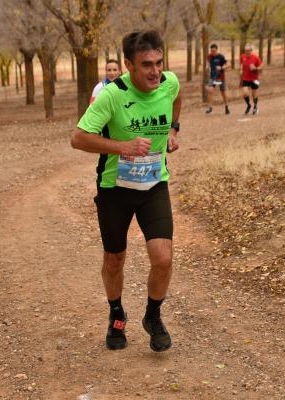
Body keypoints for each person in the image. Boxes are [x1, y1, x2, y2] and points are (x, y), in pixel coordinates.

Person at [71, 30, 181, 352]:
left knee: (163, 258)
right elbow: (78, 138)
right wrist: (123, 146)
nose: (155, 71)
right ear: (128, 65)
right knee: (115, 258)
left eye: (159, 62)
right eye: (146, 64)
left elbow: (177, 97)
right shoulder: (112, 96)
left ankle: (153, 315)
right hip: (115, 189)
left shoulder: (169, 84)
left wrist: (173, 130)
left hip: (154, 185)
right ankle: (116, 315)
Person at [205, 43, 230, 115]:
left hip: (220, 77)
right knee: (210, 91)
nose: (213, 52)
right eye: (211, 51)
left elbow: (228, 65)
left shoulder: (221, 57)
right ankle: (210, 107)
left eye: (214, 51)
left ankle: (226, 106)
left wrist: (222, 67)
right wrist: (207, 67)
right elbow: (208, 63)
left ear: (216, 50)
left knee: (223, 93)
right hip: (213, 77)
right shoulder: (209, 56)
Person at [239, 44, 263, 115]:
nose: (248, 52)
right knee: (245, 93)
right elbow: (241, 64)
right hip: (245, 78)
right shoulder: (242, 57)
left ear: (252, 50)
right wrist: (241, 70)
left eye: (249, 50)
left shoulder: (256, 57)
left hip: (254, 78)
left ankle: (255, 107)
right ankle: (249, 105)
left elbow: (261, 66)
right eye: (246, 51)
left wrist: (256, 68)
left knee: (254, 94)